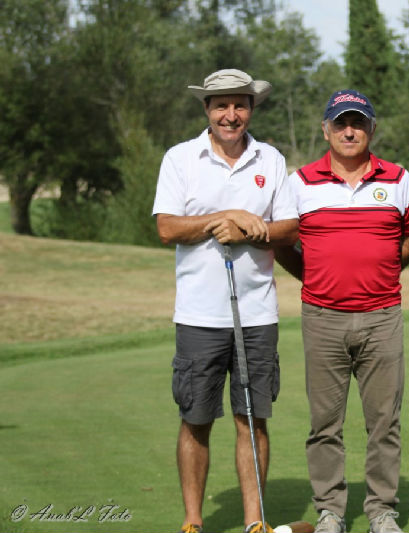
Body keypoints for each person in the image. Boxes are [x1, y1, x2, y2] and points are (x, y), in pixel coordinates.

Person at [152, 68, 299, 533]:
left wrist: (252, 230)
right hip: (199, 315)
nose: (230, 114)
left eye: (239, 104)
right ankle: (193, 521)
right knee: (195, 418)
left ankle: (255, 521)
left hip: (257, 314)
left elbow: (289, 228)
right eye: (221, 105)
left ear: (251, 108)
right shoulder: (181, 158)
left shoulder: (270, 159)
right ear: (207, 109)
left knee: (251, 419)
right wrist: (227, 216)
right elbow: (167, 227)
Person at [273, 89, 409, 533]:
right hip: (322, 318)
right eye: (341, 123)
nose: (350, 131)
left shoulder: (399, 179)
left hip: (382, 316)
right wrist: (314, 277)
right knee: (324, 424)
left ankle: (381, 510)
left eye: (358, 123)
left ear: (371, 129)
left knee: (384, 422)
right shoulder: (300, 182)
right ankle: (331, 511)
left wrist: (384, 269)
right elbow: (282, 244)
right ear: (327, 130)